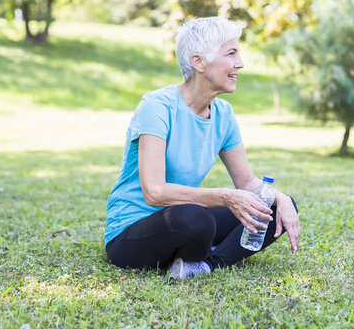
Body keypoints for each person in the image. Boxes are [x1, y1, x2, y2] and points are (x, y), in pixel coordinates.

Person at [104, 17, 300, 279]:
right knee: (196, 220)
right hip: (130, 232)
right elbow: (154, 192)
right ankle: (199, 250)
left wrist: (282, 199)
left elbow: (247, 181)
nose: (239, 63)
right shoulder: (157, 107)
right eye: (231, 53)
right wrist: (224, 197)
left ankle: (206, 265)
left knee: (272, 208)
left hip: (183, 216)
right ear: (199, 62)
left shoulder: (223, 114)